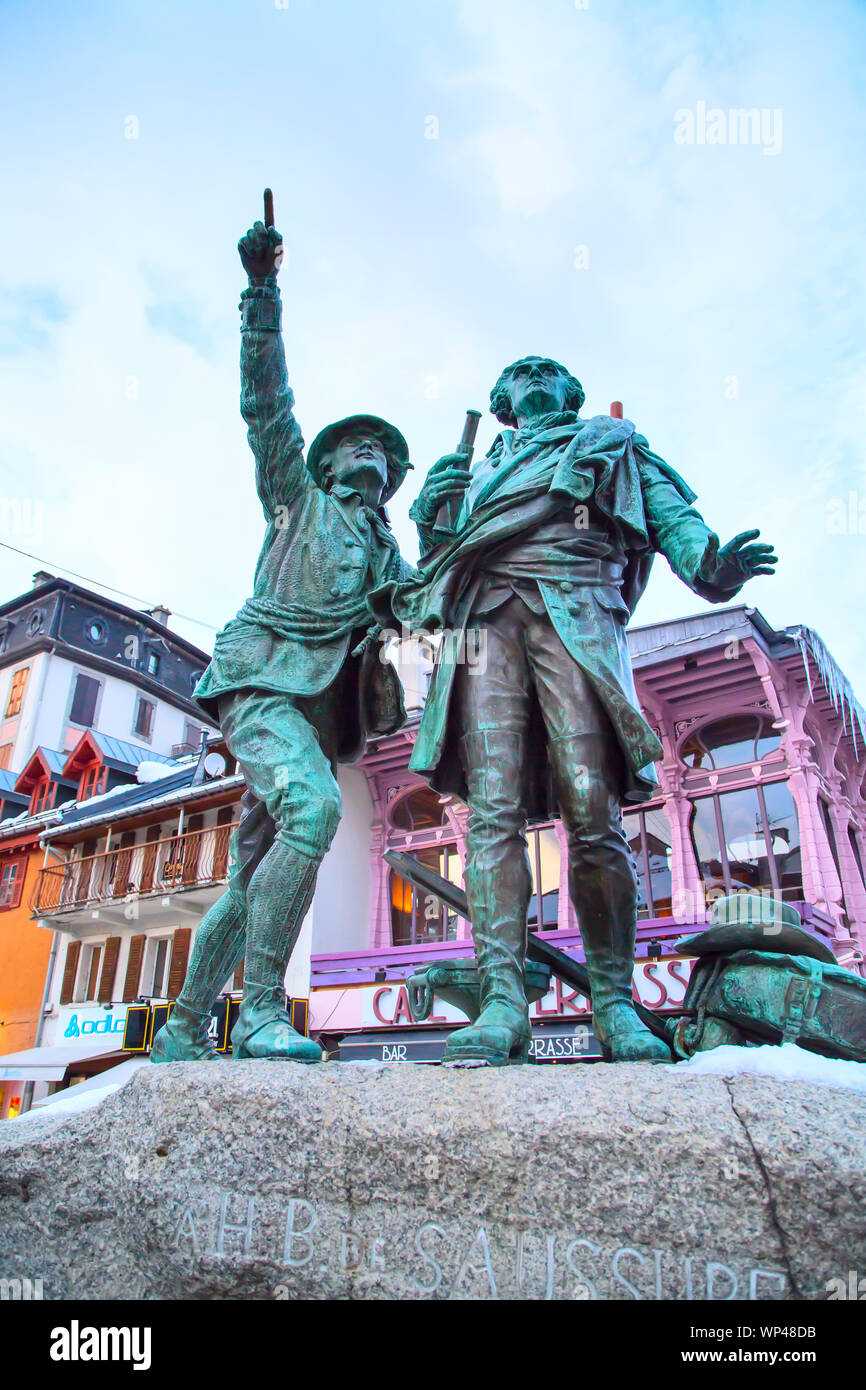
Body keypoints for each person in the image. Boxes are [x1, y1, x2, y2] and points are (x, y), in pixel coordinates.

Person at [374, 355, 777, 1065]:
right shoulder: (475, 472)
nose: (533, 376)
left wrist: (714, 567)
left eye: (547, 369)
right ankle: (502, 1004)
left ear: (572, 390)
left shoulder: (607, 442)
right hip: (484, 623)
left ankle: (615, 1003)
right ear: (501, 400)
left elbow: (673, 518)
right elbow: (437, 575)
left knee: (592, 809)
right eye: (518, 372)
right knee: (491, 812)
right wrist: (430, 521)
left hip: (577, 606)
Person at [153, 218, 413, 1063]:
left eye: (386, 452)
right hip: (262, 679)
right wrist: (261, 290)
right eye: (357, 444)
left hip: (315, 715)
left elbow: (427, 615)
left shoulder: (389, 553)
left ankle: (184, 1028)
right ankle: (264, 1010)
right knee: (314, 807)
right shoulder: (296, 499)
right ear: (330, 466)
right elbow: (266, 404)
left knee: (247, 874)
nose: (370, 452)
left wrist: (450, 519)